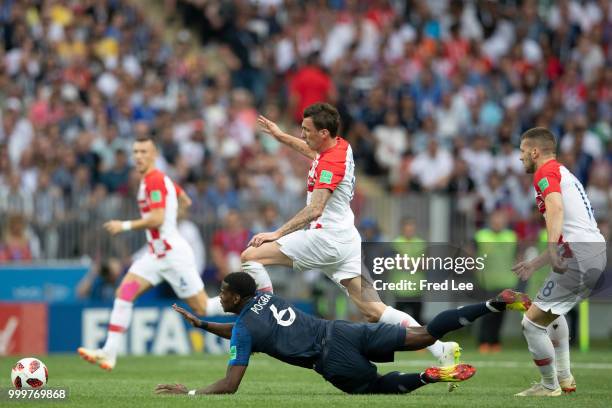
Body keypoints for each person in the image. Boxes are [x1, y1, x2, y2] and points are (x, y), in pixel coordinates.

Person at [243, 103, 460, 371]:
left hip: (324, 241)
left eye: (306, 130)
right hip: (346, 242)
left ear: (324, 132)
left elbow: (316, 209)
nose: (302, 135)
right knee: (375, 310)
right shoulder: (340, 146)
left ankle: (268, 318)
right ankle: (441, 350)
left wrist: (276, 233)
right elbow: (311, 151)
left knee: (251, 256)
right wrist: (279, 136)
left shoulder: (331, 163)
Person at [155, 272, 531, 396]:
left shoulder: (244, 329)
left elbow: (231, 383)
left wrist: (191, 392)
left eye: (222, 292)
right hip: (343, 331)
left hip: (331, 359)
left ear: (237, 297)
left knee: (375, 387)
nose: (218, 296)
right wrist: (204, 325)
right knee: (425, 335)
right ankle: (493, 305)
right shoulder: (266, 300)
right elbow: (245, 329)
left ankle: (430, 376)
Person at [77, 135, 225, 371]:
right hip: (155, 257)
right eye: (135, 152)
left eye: (144, 152)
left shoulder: (155, 180)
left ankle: (248, 300)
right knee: (124, 292)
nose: (138, 157)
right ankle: (109, 353)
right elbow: (182, 197)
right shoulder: (157, 179)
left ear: (154, 155)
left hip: (173, 256)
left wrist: (123, 226)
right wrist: (177, 207)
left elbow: (156, 218)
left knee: (202, 308)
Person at [512, 127, 606, 396]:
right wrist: (537, 262)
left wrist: (551, 249)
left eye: (521, 151)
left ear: (534, 151)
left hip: (579, 254)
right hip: (592, 252)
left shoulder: (545, 172)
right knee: (553, 314)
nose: (520, 158)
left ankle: (548, 385)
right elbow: (571, 228)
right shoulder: (564, 173)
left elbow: (555, 207)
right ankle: (565, 379)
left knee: (531, 324)